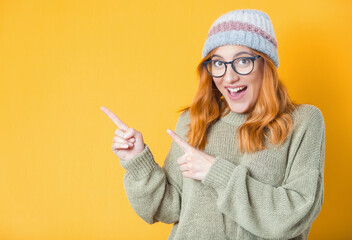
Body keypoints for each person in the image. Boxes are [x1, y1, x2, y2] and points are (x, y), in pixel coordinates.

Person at [101, 9, 325, 240]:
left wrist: (214, 172)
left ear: (266, 65)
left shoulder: (303, 121)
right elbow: (168, 209)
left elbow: (294, 215)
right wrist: (137, 162)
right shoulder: (193, 121)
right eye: (218, 63)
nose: (229, 77)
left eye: (243, 61)